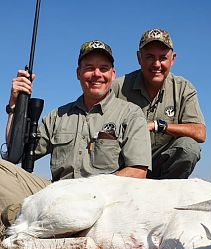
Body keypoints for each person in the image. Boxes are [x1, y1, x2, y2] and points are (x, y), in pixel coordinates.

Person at [0, 39, 152, 227]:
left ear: (113, 74)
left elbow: (138, 171)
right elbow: (16, 153)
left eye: (103, 68)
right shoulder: (58, 115)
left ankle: (28, 219)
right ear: (78, 73)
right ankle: (37, 218)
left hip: (102, 202)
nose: (97, 74)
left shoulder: (131, 113)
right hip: (54, 194)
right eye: (89, 68)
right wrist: (15, 105)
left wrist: (83, 192)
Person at [112, 29, 206, 179]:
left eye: (163, 58)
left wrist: (157, 126)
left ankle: (169, 196)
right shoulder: (117, 87)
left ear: (173, 59)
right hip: (126, 164)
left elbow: (200, 133)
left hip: (162, 164)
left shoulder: (184, 88)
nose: (156, 64)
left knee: (189, 147)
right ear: (139, 57)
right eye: (149, 57)